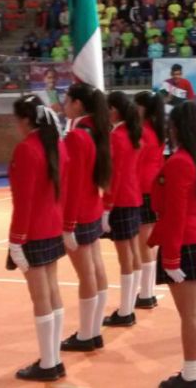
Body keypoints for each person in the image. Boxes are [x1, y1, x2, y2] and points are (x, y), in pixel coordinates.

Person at [149, 102, 196, 388]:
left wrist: (171, 257)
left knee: (190, 315)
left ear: (176, 127)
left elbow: (176, 213)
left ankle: (191, 377)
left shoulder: (180, 162)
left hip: (184, 242)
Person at [7, 95, 67, 381]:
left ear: (26, 120)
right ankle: (53, 358)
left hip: (33, 230)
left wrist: (16, 239)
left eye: (17, 119)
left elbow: (24, 200)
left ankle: (48, 363)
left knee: (40, 297)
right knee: (52, 292)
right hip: (53, 226)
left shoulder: (27, 149)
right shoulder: (56, 145)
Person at [60, 83, 111, 353]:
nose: (64, 104)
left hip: (78, 212)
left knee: (87, 274)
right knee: (95, 268)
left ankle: (86, 334)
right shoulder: (95, 130)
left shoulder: (78, 136)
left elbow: (72, 183)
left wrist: (67, 224)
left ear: (78, 104)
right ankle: (93, 330)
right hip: (90, 207)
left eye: (67, 99)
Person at [102, 92, 143, 328]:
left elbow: (112, 175)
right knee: (132, 253)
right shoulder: (131, 132)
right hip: (132, 196)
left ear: (114, 110)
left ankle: (126, 310)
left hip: (120, 199)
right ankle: (129, 305)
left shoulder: (116, 136)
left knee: (125, 256)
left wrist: (106, 206)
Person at [133, 91, 167, 309]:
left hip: (143, 187)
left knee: (143, 243)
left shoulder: (142, 131)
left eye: (136, 105)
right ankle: (148, 291)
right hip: (153, 186)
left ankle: (146, 293)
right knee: (148, 242)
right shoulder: (157, 129)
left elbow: (134, 162)